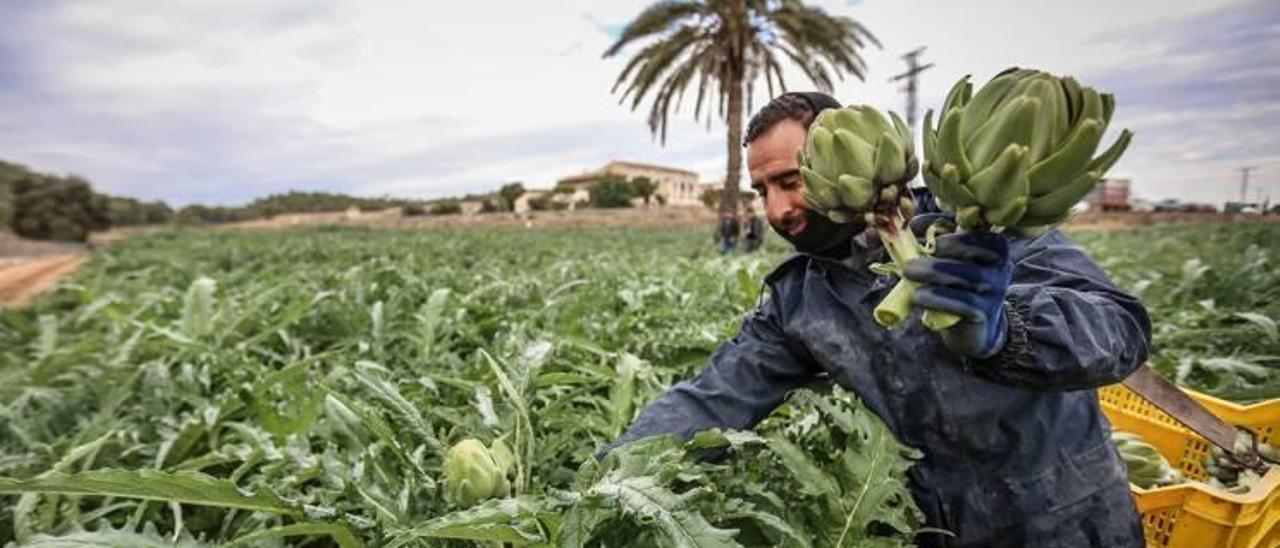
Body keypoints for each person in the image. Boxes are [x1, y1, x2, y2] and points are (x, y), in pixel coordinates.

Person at [602, 92, 1150, 547]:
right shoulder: (802, 298)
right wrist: (607, 477)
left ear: (840, 164)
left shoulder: (982, 226)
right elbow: (713, 399)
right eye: (762, 190)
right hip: (938, 531)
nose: (775, 211)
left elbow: (1122, 332)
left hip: (1073, 524)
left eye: (790, 182)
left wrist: (1008, 333)